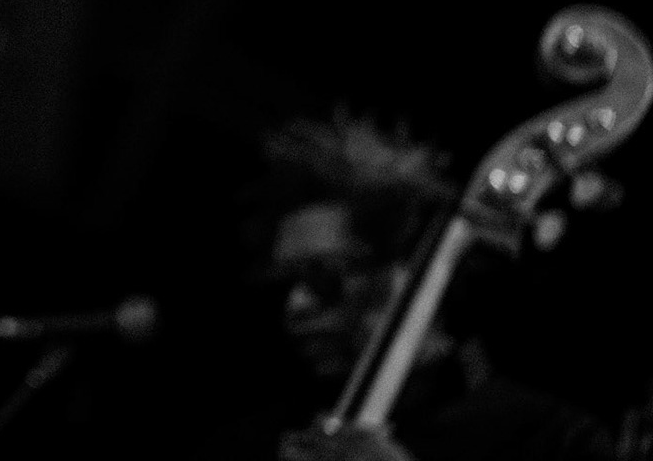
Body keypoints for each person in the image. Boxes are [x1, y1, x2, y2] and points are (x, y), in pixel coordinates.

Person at [225, 111, 614, 461]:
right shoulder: (259, 435)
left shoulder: (552, 439)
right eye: (287, 282)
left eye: (323, 276)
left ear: (409, 270)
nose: (296, 304)